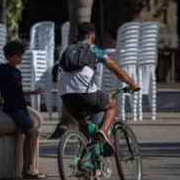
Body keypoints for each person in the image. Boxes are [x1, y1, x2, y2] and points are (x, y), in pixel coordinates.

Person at [58, 22, 139, 160]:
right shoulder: (94, 49)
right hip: (86, 95)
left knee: (85, 129)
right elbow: (115, 69)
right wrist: (132, 84)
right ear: (91, 35)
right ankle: (103, 132)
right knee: (111, 104)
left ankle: (87, 164)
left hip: (66, 98)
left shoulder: (67, 50)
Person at [0, 41, 46, 179]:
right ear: (10, 56)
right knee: (32, 132)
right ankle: (29, 170)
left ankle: (28, 169)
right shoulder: (3, 69)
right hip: (13, 108)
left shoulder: (16, 71)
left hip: (20, 106)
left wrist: (32, 92)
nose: (21, 58)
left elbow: (17, 91)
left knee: (30, 133)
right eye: (19, 56)